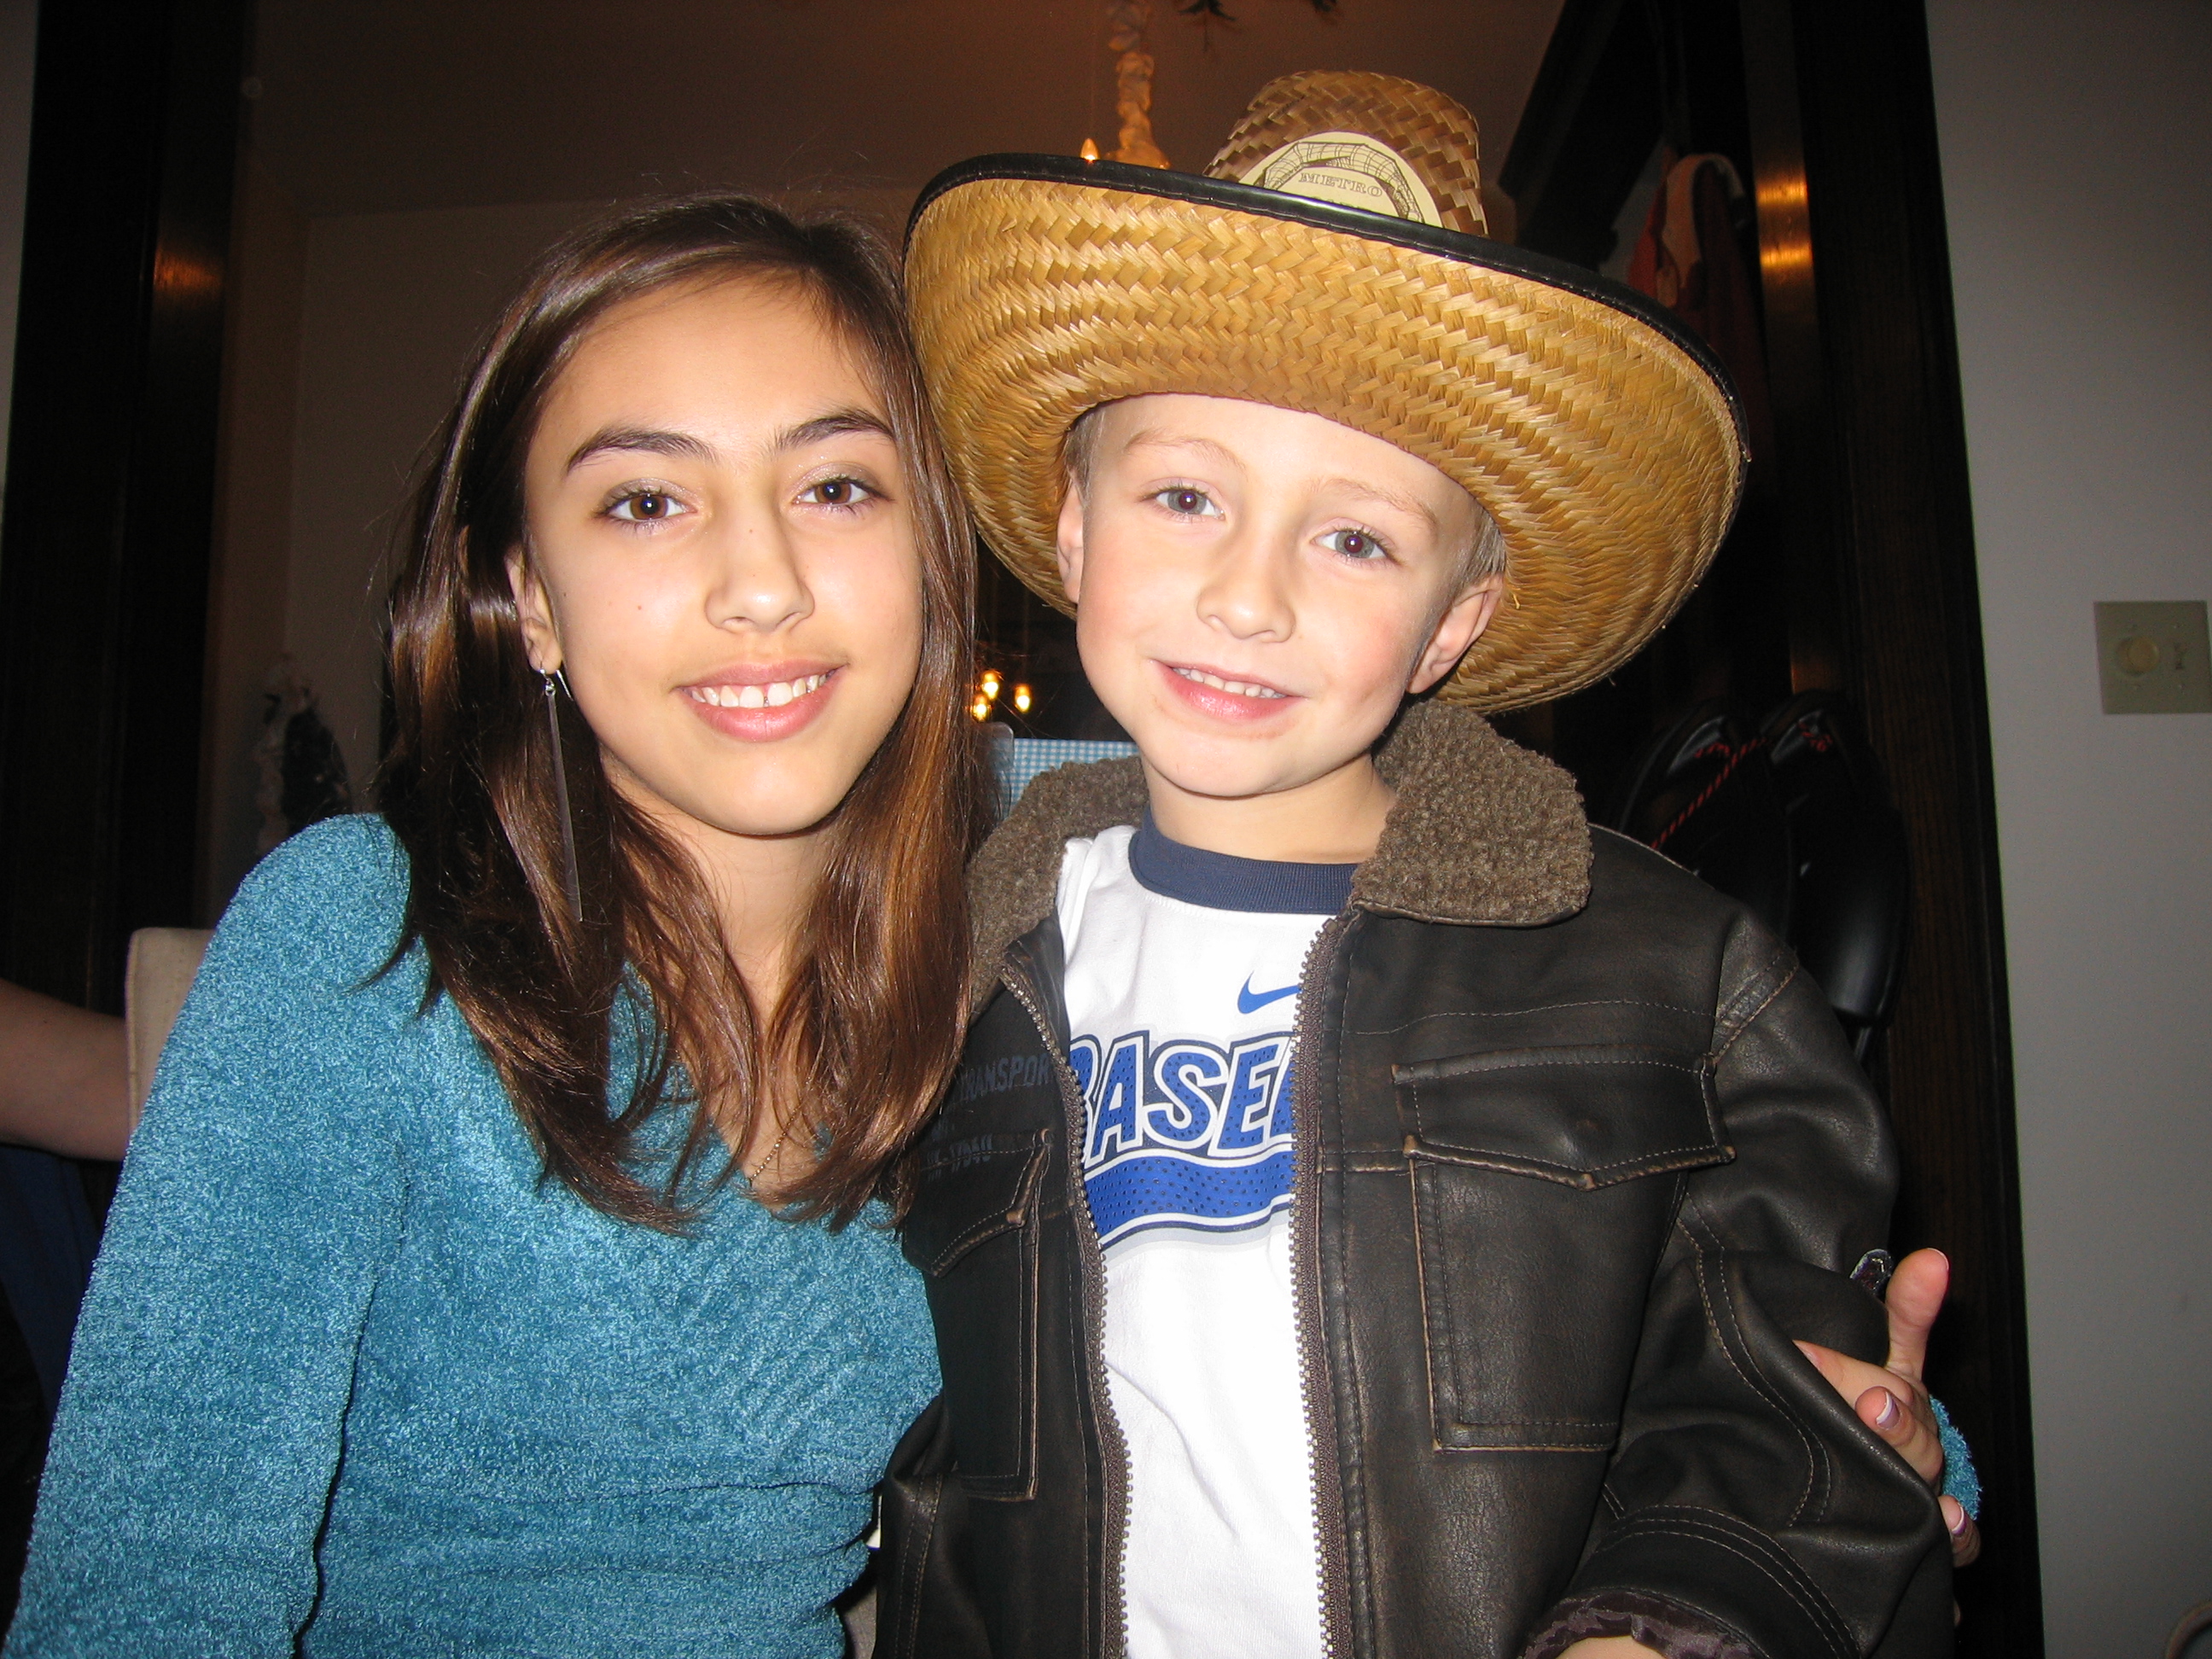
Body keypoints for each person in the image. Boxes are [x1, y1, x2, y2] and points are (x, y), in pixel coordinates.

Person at [882, 73, 1956, 1659]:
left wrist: (1679, 1612)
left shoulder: (1667, 971)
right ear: (1078, 529)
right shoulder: (955, 968)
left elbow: (1776, 1398)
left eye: (1356, 539)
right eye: (1185, 495)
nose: (1248, 597)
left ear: (1454, 623)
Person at [5, 194, 980, 1656]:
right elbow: (145, 1594)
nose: (762, 585)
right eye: (645, 501)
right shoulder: (368, 937)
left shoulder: (1006, 956)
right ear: (530, 600)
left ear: (935, 550)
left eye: (838, 486)